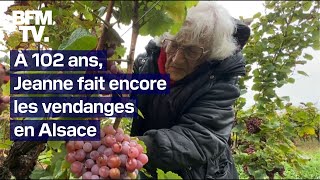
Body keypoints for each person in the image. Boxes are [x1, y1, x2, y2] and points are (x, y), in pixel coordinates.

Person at [131, 2, 250, 179]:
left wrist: (132, 147)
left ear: (211, 53)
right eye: (173, 45)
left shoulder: (220, 82)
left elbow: (199, 138)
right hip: (147, 164)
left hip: (197, 173)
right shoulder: (146, 63)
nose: (178, 59)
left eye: (192, 51)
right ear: (164, 41)